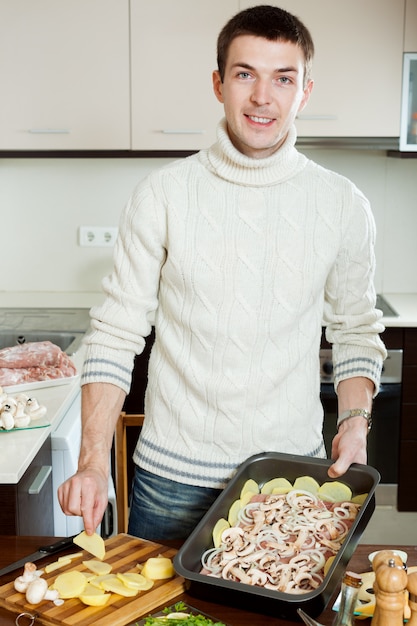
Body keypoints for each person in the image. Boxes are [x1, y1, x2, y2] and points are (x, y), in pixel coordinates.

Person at [58, 5, 386, 541]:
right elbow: (115, 336)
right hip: (170, 481)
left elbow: (355, 331)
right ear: (218, 84)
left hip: (290, 479)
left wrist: (355, 426)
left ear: (304, 91)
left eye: (283, 78)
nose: (263, 97)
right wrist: (94, 461)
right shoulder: (162, 194)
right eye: (245, 74)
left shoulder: (342, 204)